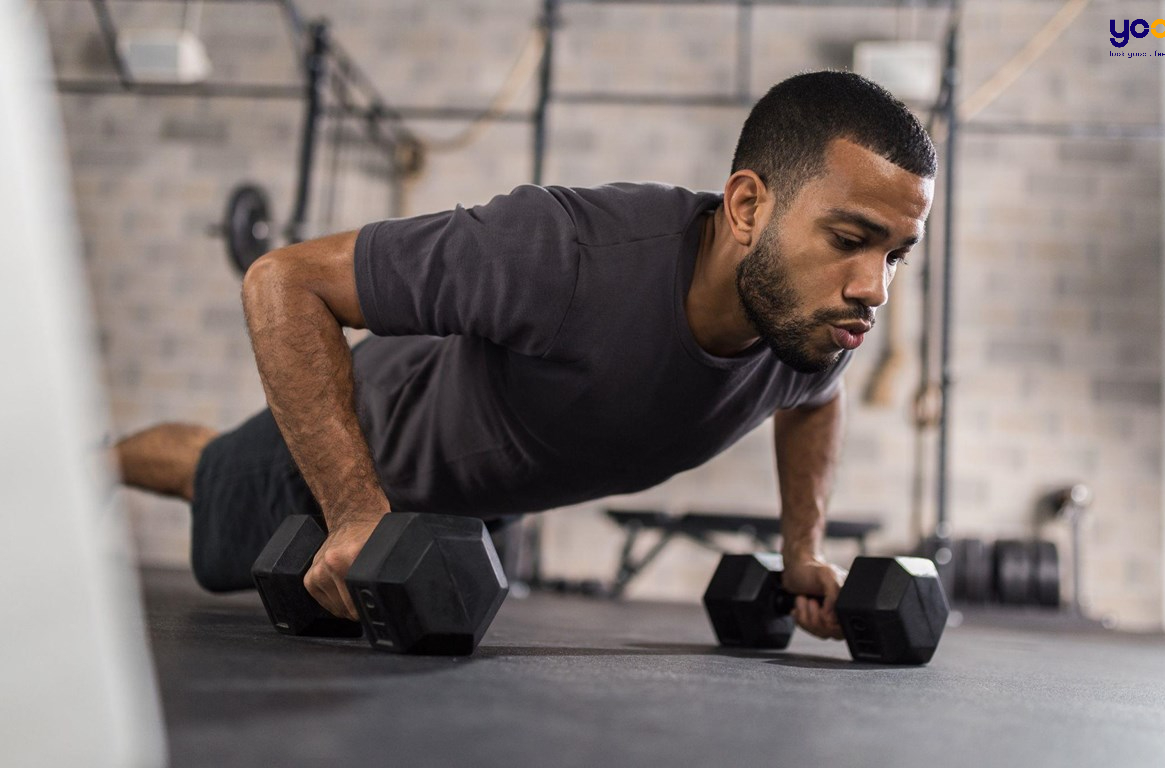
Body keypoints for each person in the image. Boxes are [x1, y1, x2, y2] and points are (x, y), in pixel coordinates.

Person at [116, 70, 936, 644]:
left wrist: (803, 550)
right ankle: (89, 461)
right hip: (364, 455)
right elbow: (282, 280)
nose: (875, 287)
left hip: (478, 513)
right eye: (850, 239)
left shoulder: (813, 325)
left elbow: (814, 401)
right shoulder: (565, 252)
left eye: (897, 254)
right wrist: (357, 512)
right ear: (749, 205)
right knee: (208, 475)